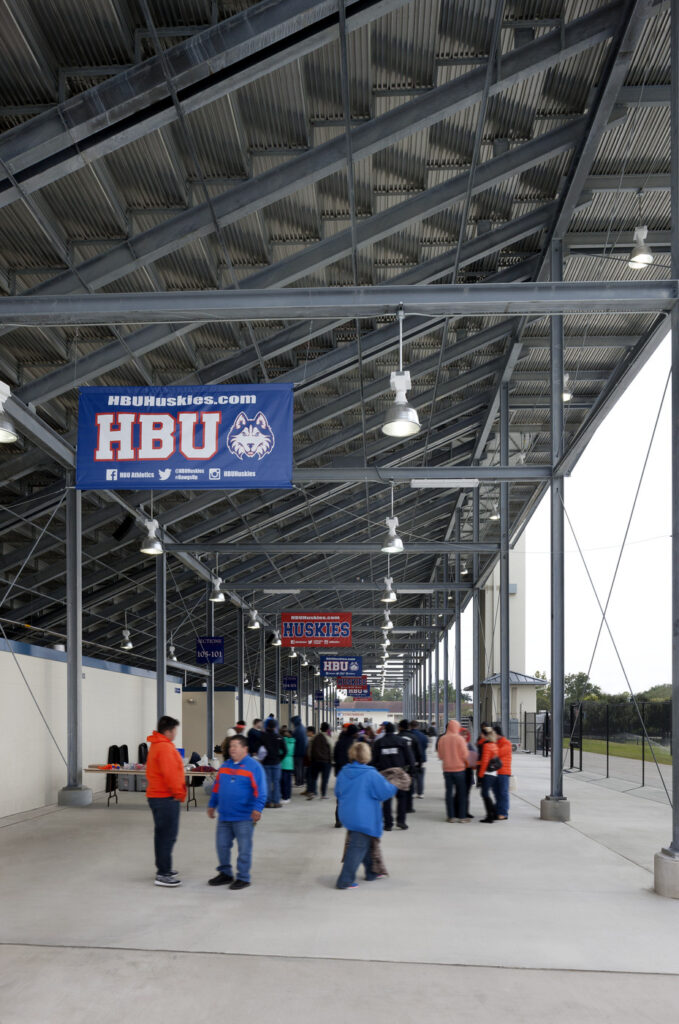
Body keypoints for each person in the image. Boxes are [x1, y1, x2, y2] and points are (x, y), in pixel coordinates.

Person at [207, 734, 267, 890]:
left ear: (244, 749)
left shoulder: (254, 767)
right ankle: (225, 873)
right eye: (230, 746)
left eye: (235, 746)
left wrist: (257, 808)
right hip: (224, 816)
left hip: (244, 817)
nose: (231, 749)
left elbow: (261, 791)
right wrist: (212, 804)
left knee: (244, 849)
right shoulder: (225, 766)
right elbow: (217, 788)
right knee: (221, 846)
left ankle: (243, 877)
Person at [335, 742, 397, 889]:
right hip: (364, 817)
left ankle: (372, 872)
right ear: (367, 755)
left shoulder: (344, 771)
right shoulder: (371, 774)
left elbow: (337, 792)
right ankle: (345, 880)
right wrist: (394, 785)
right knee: (357, 847)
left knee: (365, 843)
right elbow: (384, 793)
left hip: (347, 814)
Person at [145, 715, 186, 887]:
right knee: (167, 836)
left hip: (157, 796)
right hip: (165, 797)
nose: (176, 732)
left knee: (162, 835)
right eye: (175, 729)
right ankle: (163, 873)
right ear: (168, 731)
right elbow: (171, 776)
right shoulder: (165, 748)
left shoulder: (157, 745)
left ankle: (164, 867)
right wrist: (180, 793)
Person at [372, 721, 415, 830]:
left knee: (386, 800)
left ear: (385, 730)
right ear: (395, 730)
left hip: (384, 775)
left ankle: (388, 824)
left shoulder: (378, 743)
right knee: (402, 798)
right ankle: (401, 821)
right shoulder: (401, 741)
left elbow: (373, 760)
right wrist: (411, 772)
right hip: (399, 773)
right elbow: (410, 758)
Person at [437, 719, 469, 823]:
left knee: (448, 793)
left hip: (447, 770)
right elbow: (465, 755)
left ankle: (450, 816)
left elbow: (440, 756)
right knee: (461, 793)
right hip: (459, 769)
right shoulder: (460, 739)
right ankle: (462, 816)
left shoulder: (442, 739)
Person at [333, 723, 358, 827]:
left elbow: (334, 756)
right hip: (352, 773)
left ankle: (338, 820)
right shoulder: (355, 745)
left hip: (341, 772)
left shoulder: (339, 742)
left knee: (341, 796)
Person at [478, 725, 501, 823]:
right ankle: (494, 814)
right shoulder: (494, 744)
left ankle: (490, 816)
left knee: (484, 794)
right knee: (485, 794)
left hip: (487, 773)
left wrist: (480, 775)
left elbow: (485, 761)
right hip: (493, 773)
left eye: (481, 733)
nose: (480, 735)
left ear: (485, 734)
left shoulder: (487, 745)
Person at [261, 718, 286, 808]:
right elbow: (285, 751)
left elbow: (259, 749)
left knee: (267, 782)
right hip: (276, 763)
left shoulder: (263, 736)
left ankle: (268, 802)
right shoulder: (279, 737)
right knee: (276, 782)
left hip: (266, 763)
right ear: (275, 727)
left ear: (267, 726)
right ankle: (276, 802)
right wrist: (280, 759)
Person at [397, 719, 421, 813]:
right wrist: (419, 763)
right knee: (410, 785)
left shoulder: (397, 737)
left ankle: (401, 806)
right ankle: (409, 807)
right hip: (411, 765)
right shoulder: (413, 737)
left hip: (400, 765)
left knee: (400, 786)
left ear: (400, 727)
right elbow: (419, 752)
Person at [307, 722, 332, 799]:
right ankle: (323, 794)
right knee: (325, 779)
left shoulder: (315, 737)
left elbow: (309, 749)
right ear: (328, 729)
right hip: (326, 762)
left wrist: (310, 758)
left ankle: (313, 792)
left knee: (314, 777)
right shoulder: (328, 738)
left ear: (320, 728)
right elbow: (331, 750)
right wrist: (331, 760)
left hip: (315, 761)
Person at [494, 724, 512, 820]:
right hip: (495, 772)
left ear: (497, 734)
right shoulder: (495, 743)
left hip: (503, 772)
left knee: (503, 793)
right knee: (497, 793)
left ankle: (503, 813)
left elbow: (497, 753)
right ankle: (498, 811)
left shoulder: (506, 743)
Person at [460, 726, 478, 818]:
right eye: (463, 734)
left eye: (466, 735)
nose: (465, 736)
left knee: (466, 794)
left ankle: (465, 811)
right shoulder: (459, 745)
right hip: (461, 772)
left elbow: (474, 758)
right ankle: (461, 811)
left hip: (468, 772)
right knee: (461, 793)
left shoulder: (469, 745)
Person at [409, 720, 429, 798]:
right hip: (421, 758)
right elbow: (426, 745)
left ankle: (412, 792)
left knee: (411, 775)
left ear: (410, 726)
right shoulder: (423, 736)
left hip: (411, 758)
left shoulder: (409, 735)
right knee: (420, 776)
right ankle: (420, 793)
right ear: (418, 726)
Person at [290, 715, 308, 786]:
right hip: (303, 751)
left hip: (298, 751)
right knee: (301, 767)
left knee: (298, 768)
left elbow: (293, 740)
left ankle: (298, 782)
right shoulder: (303, 728)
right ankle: (301, 781)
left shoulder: (297, 729)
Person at [280, 725, 296, 803]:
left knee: (283, 781)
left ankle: (284, 797)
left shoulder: (283, 741)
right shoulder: (293, 741)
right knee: (288, 782)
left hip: (283, 762)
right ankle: (288, 796)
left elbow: (281, 751)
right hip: (290, 762)